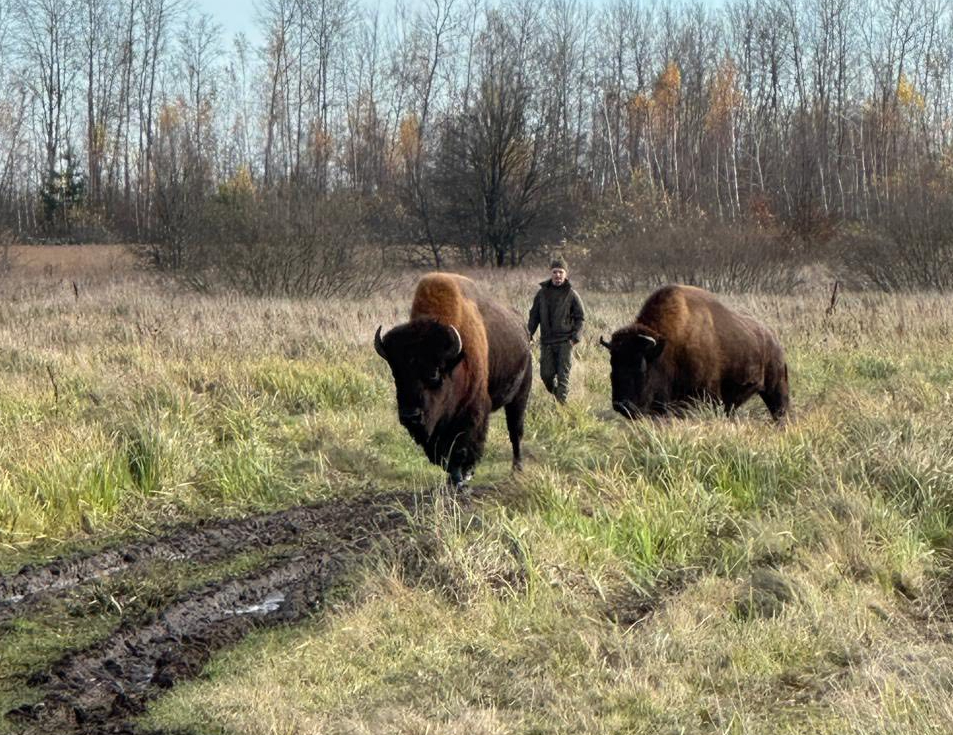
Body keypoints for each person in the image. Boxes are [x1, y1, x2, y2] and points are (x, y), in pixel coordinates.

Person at [527, 256, 585, 404]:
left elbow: (581, 318)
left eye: (560, 272)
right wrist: (528, 334)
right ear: (550, 273)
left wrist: (574, 338)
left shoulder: (571, 294)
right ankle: (557, 394)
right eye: (555, 272)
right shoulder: (541, 294)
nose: (557, 275)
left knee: (563, 376)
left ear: (566, 274)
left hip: (565, 341)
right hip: (546, 342)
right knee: (546, 375)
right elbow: (534, 317)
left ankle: (561, 409)